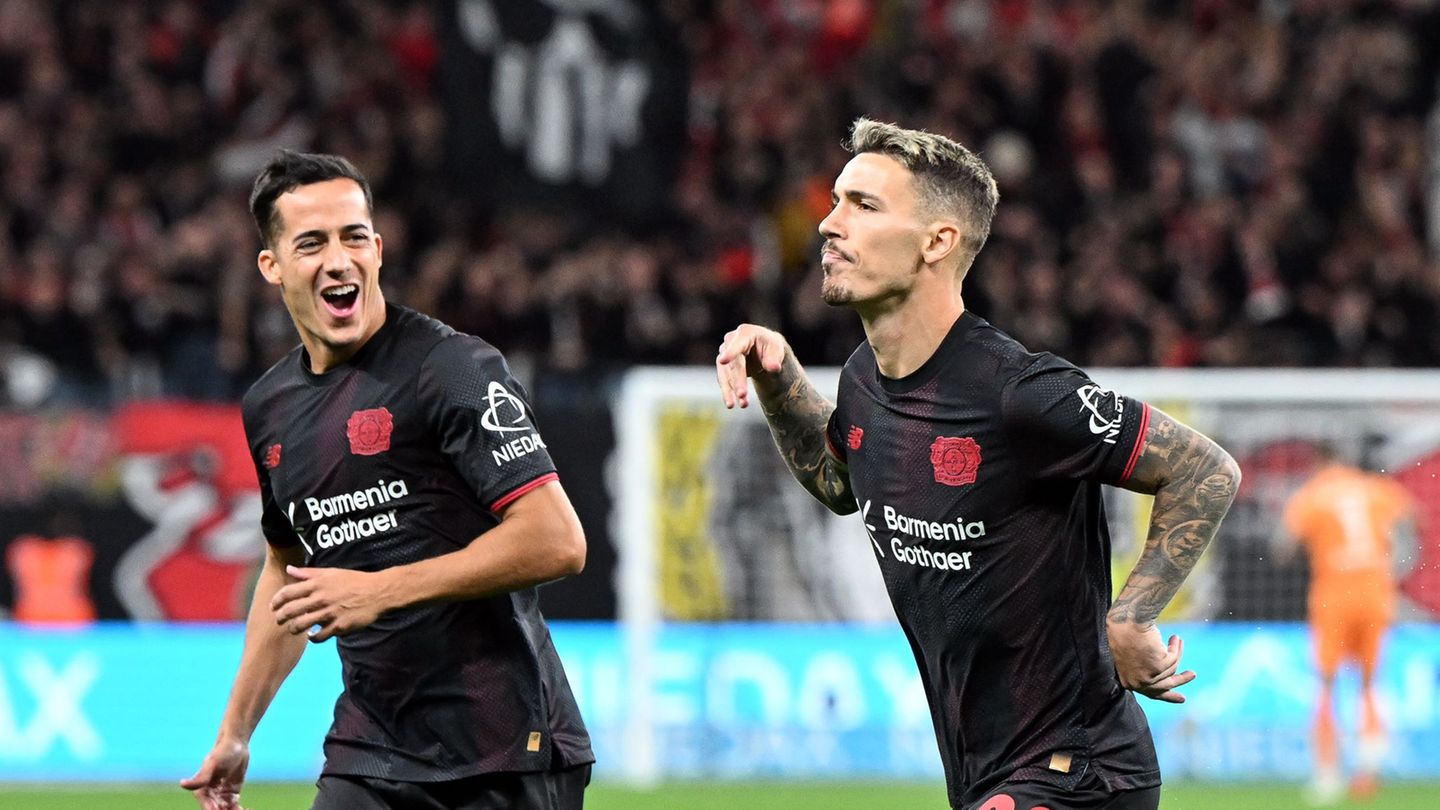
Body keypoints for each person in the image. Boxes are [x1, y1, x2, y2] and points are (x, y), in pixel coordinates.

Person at [715, 118, 1241, 810]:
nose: (828, 224)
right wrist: (781, 383)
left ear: (938, 242)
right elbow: (841, 483)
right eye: (837, 200)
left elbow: (1205, 469)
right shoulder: (863, 380)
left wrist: (1130, 617)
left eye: (863, 205)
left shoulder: (1019, 392)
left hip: (1078, 773)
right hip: (985, 774)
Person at [181, 151, 593, 810]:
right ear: (272, 265)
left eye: (353, 237)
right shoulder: (270, 407)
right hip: (371, 750)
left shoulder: (451, 368)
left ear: (377, 248)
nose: (338, 259)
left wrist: (381, 592)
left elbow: (557, 541)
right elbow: (288, 573)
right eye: (312, 243)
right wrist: (236, 733)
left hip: (503, 750)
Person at [1281, 445, 1417, 805]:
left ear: (1319, 463)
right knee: (1370, 683)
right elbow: (1411, 521)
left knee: (1326, 684)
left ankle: (1327, 775)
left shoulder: (1312, 495)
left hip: (1333, 597)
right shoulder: (1375, 488)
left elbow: (1283, 546)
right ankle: (1368, 769)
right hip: (1377, 592)